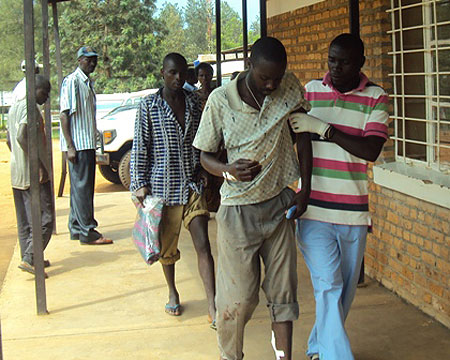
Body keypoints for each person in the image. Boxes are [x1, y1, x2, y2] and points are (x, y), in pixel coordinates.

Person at [193, 36, 313, 360]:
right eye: (264, 78)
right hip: (237, 212)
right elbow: (204, 157)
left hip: (279, 204)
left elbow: (303, 139)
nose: (271, 84)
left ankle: (284, 357)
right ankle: (230, 356)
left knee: (283, 294)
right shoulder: (220, 101)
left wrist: (305, 192)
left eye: (277, 77)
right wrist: (229, 170)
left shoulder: (289, 87)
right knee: (238, 299)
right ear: (249, 66)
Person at [288, 33, 389, 360]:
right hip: (315, 210)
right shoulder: (311, 91)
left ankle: (319, 346)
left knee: (341, 294)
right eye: (332, 60)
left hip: (354, 215)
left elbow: (370, 149)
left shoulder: (375, 97)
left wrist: (324, 128)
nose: (336, 67)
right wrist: (302, 191)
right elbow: (300, 140)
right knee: (328, 286)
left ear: (360, 62)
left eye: (344, 61)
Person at [130, 53, 216, 326]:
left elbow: (204, 140)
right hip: (162, 190)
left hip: (191, 184)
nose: (178, 78)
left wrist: (204, 170)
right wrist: (139, 185)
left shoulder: (193, 103)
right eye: (172, 73)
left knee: (203, 242)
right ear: (162, 73)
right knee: (167, 250)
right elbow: (140, 147)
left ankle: (212, 302)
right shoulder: (149, 106)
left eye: (182, 73)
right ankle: (172, 289)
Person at [59, 46, 112, 245]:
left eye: (94, 60)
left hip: (86, 143)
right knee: (83, 189)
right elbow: (64, 114)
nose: (92, 63)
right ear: (80, 60)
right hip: (79, 145)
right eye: (88, 60)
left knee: (79, 188)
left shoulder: (86, 83)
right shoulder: (72, 82)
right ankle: (88, 231)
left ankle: (76, 227)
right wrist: (70, 146)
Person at [7, 74, 53, 277]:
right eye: (45, 92)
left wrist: (20, 158)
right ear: (35, 90)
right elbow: (20, 136)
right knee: (45, 217)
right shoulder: (30, 107)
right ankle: (30, 257)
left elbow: (10, 140)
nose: (47, 97)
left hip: (17, 171)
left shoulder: (14, 107)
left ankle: (31, 256)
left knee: (25, 220)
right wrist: (37, 164)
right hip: (32, 173)